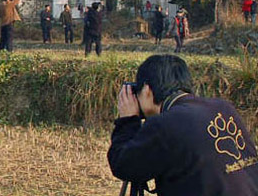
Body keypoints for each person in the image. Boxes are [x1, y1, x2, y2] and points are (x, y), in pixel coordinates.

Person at [108, 54, 258, 195]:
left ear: (147, 90)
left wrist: (127, 122)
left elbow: (123, 165)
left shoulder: (164, 124)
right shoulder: (223, 108)